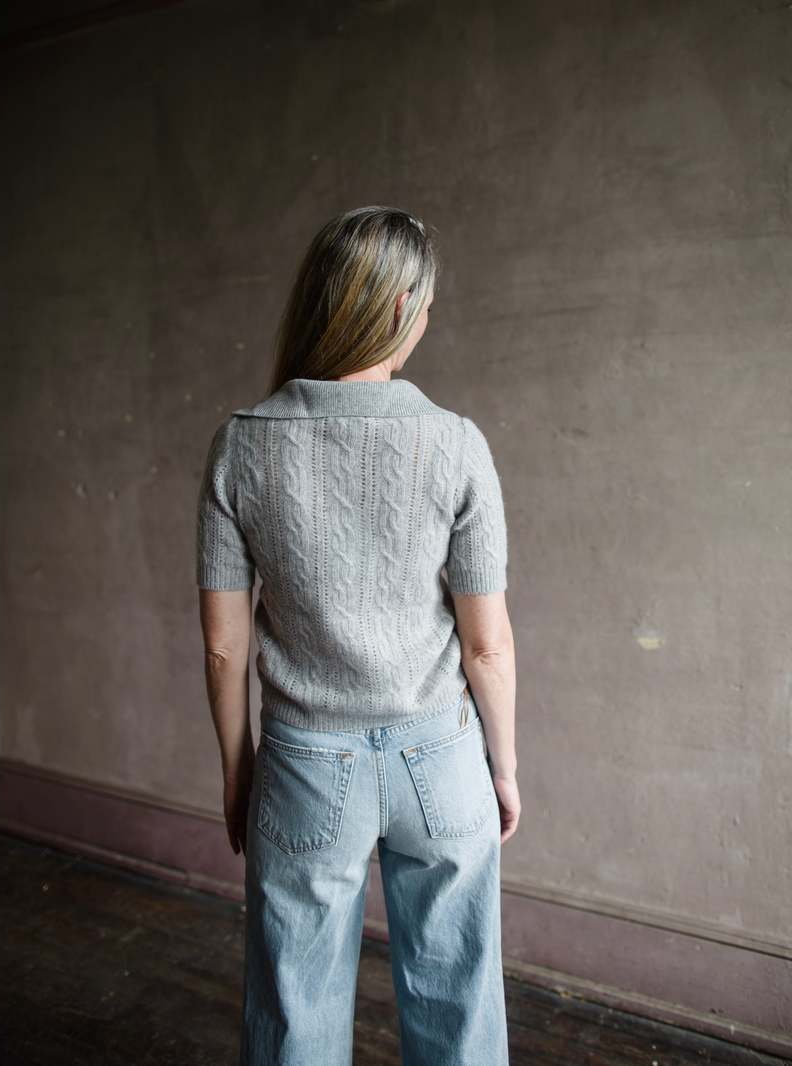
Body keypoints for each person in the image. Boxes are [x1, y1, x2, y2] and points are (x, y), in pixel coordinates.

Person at [196, 205, 520, 1066]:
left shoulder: (241, 446)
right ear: (400, 308)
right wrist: (502, 767)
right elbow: (487, 646)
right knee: (460, 1012)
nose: (428, 321)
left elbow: (224, 646)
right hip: (441, 761)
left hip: (304, 765)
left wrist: (238, 770)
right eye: (427, 306)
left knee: (294, 1014)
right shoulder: (457, 444)